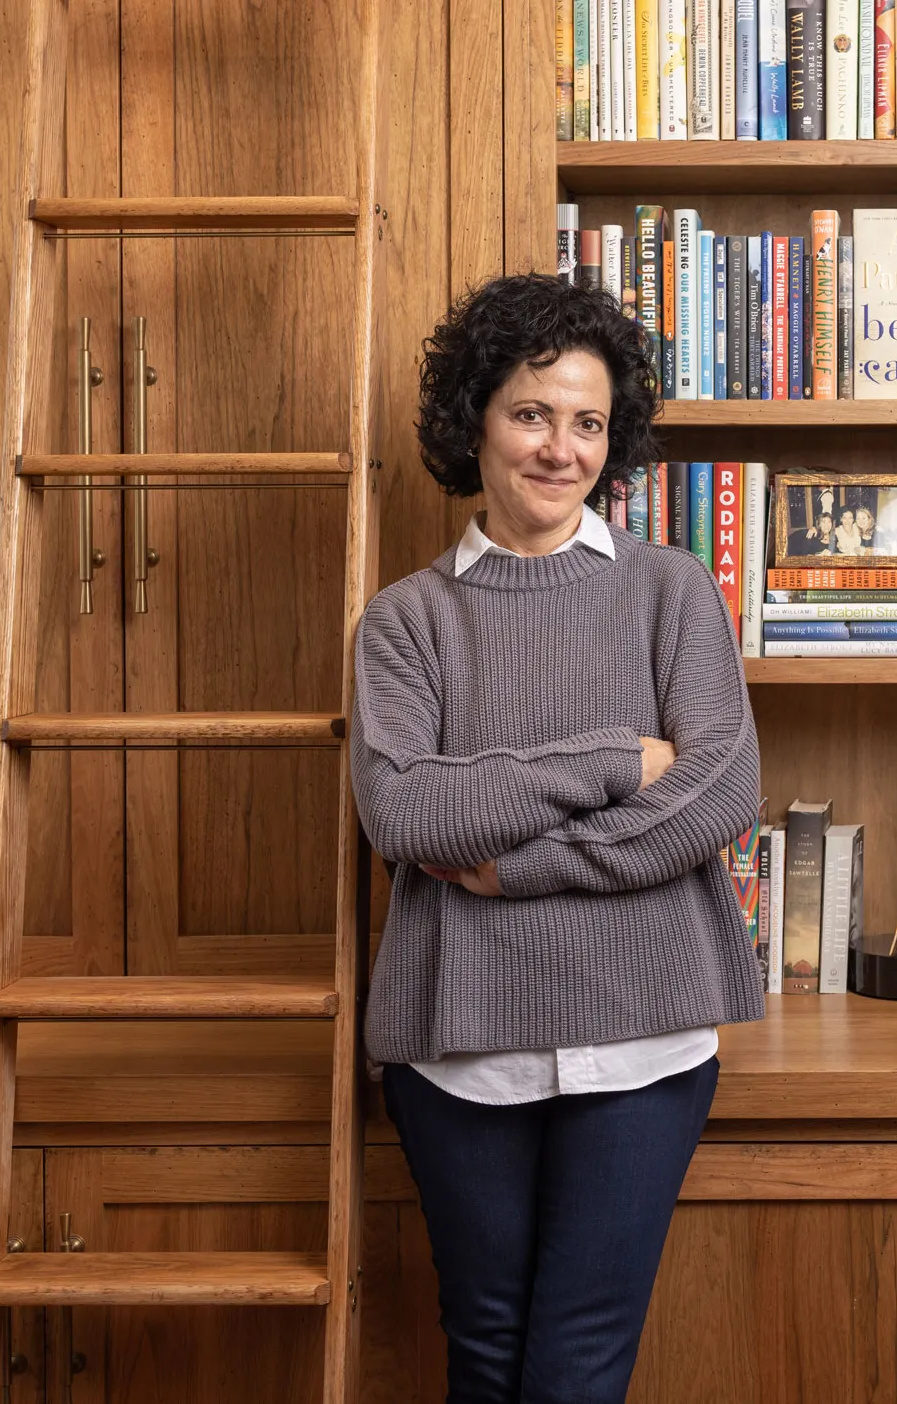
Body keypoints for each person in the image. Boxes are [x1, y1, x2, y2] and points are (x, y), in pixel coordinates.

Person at [357, 273, 764, 1404]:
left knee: (579, 1365)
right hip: (460, 1044)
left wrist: (513, 864)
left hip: (645, 1047)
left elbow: (720, 791)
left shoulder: (674, 592)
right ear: (474, 422)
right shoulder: (406, 622)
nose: (558, 449)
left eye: (587, 423)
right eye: (531, 414)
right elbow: (406, 811)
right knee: (484, 1354)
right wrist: (617, 760)